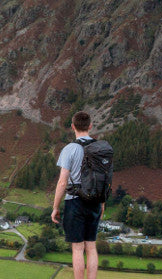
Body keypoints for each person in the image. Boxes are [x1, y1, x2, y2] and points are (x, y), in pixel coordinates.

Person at [51, 111, 104, 279]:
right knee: (91, 247)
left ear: (72, 126)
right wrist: (102, 204)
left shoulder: (69, 149)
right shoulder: (101, 149)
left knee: (78, 248)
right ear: (90, 126)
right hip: (95, 200)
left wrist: (55, 207)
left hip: (75, 201)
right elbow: (104, 180)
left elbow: (62, 182)